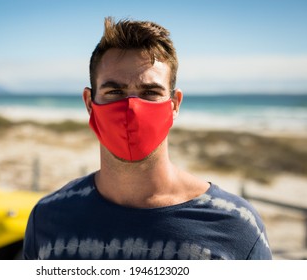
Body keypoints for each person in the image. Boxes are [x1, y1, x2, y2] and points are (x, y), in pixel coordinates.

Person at [23, 17, 272, 260]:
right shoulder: (47, 218)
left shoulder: (235, 228)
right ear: (90, 103)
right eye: (114, 92)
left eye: (150, 92)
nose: (131, 107)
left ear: (174, 105)